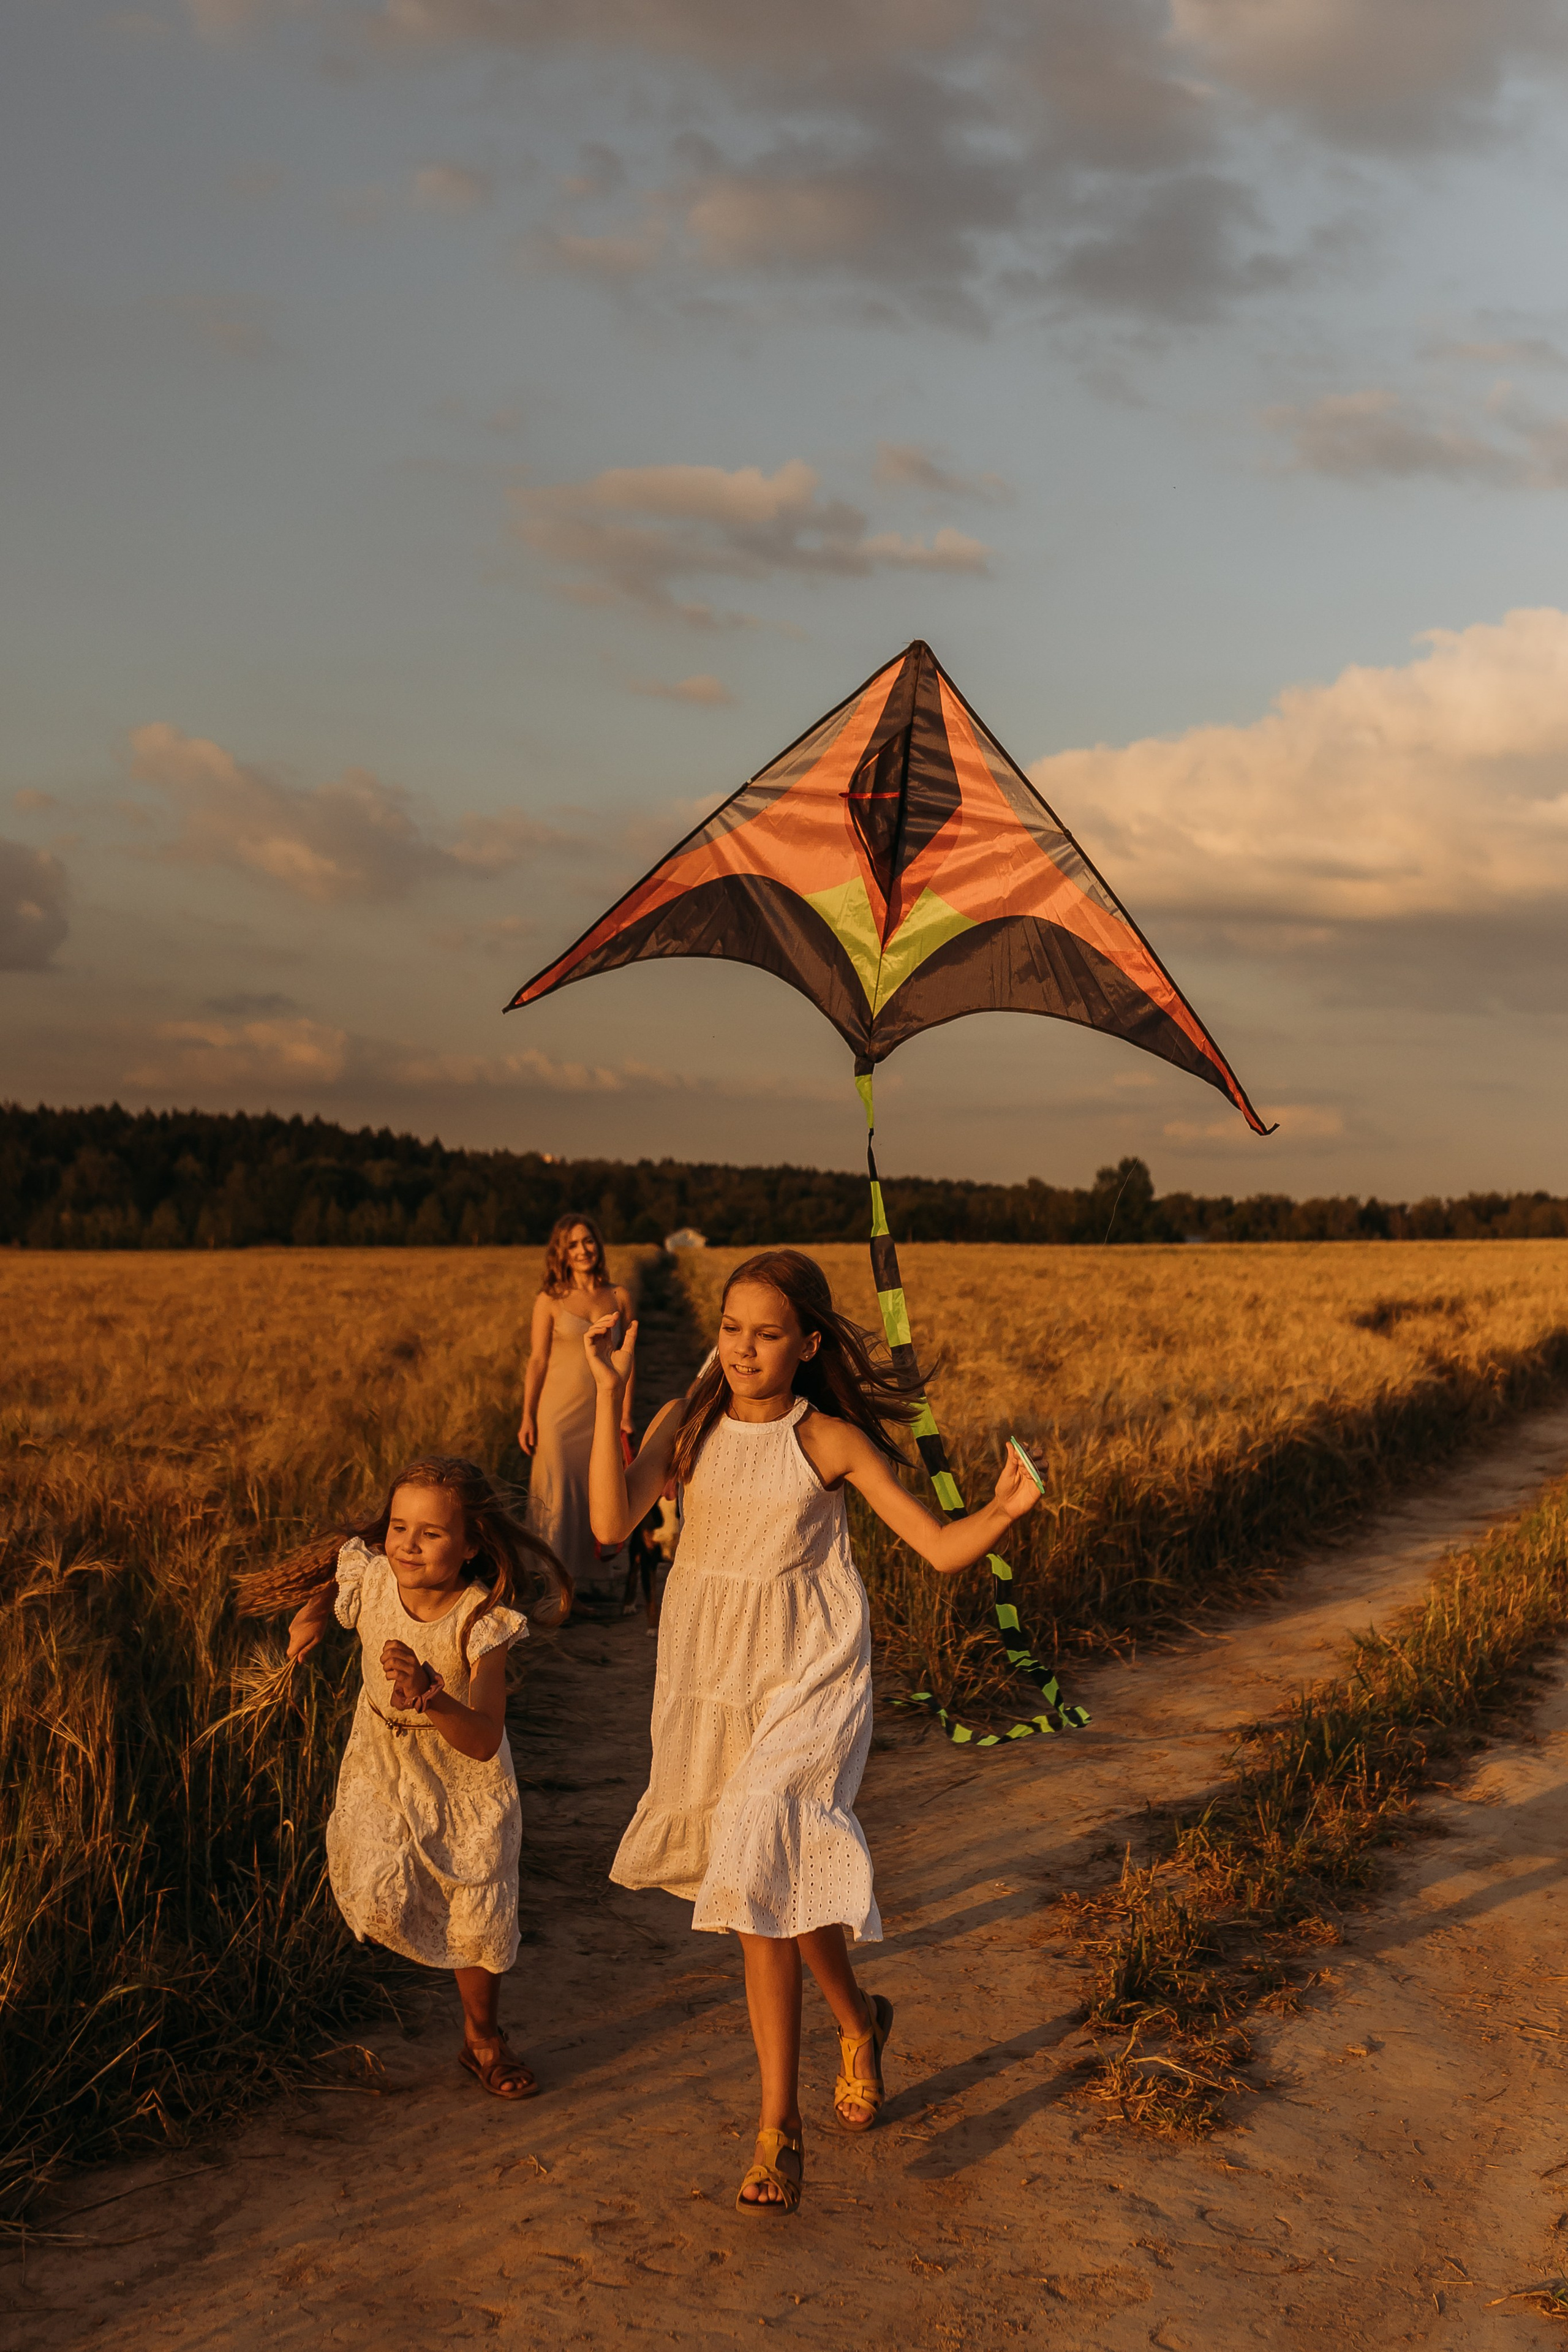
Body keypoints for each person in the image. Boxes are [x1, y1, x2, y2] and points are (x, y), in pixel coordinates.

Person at [582, 1250, 1043, 2217]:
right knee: (778, 1882)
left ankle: (776, 2131)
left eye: (766, 1333)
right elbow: (607, 1521)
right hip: (715, 1676)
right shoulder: (689, 1420)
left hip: (812, 1673)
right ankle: (859, 2020)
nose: (743, 1349)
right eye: (731, 1328)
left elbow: (937, 1548)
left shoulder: (827, 1440)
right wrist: (607, 1392)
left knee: (759, 1851)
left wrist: (1001, 1511)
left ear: (808, 1345)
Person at [247, 1455, 570, 2100]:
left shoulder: (483, 1623)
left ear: (472, 1543)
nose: (407, 1545)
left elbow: (483, 1741)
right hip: (385, 1763)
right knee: (378, 1885)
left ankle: (482, 2038)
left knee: (476, 1913)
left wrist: (431, 1694)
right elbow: (345, 1575)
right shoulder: (371, 1580)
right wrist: (311, 1614)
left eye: (431, 1533)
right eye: (398, 1528)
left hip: (465, 1781)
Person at [519, 1214, 635, 1594]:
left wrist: (626, 1414)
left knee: (595, 1491)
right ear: (561, 1253)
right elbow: (537, 1360)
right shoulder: (549, 1300)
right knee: (557, 1495)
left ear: (598, 1246)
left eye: (588, 1241)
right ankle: (555, 1588)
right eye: (573, 1245)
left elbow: (628, 1358)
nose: (583, 1250)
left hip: (601, 1411)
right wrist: (527, 1416)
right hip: (556, 1414)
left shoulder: (619, 1296)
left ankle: (586, 1585)